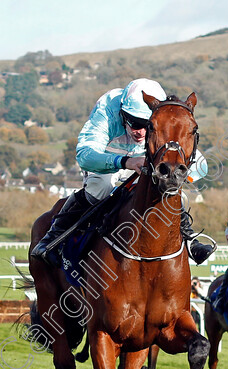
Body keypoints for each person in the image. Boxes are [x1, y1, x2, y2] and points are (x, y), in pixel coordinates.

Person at [31, 78, 214, 264]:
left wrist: (178, 174)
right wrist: (125, 161)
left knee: (170, 191)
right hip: (107, 161)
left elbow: (201, 167)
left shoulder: (162, 117)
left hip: (144, 164)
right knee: (100, 187)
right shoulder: (107, 109)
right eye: (134, 123)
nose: (140, 132)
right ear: (123, 114)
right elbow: (85, 156)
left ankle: (190, 239)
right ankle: (54, 236)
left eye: (146, 125)